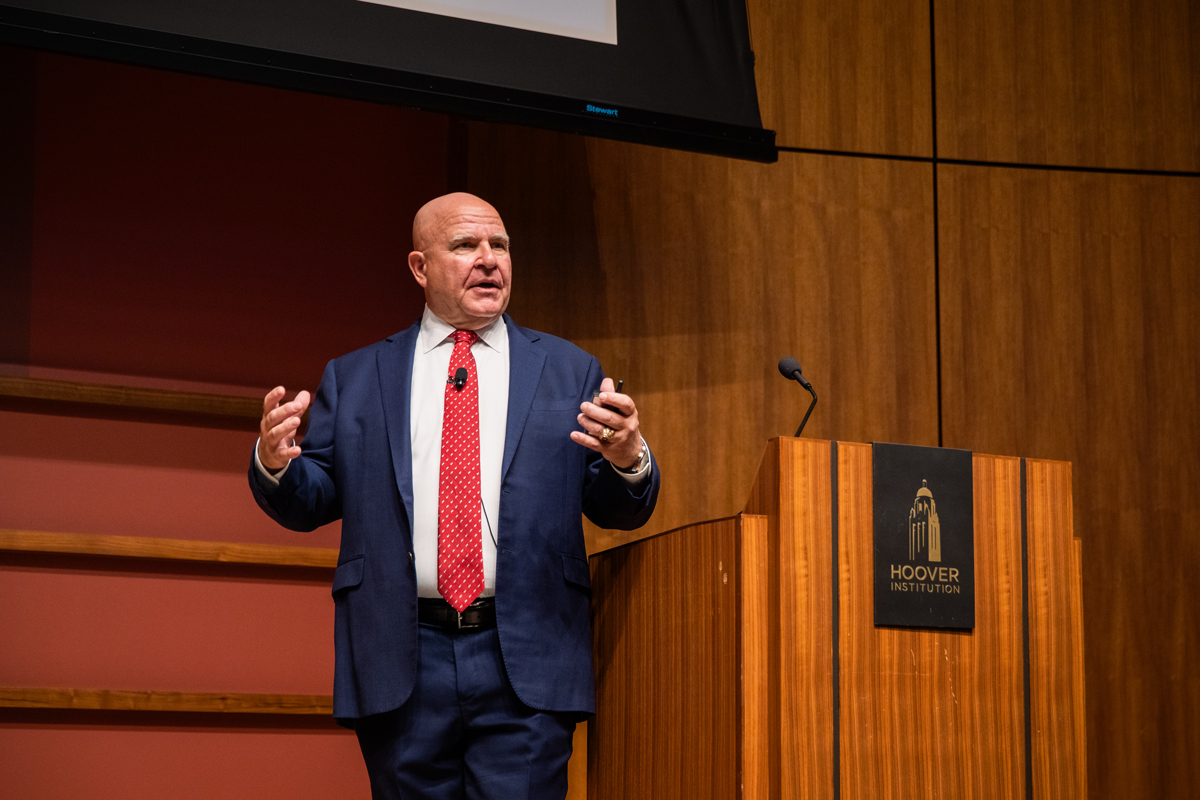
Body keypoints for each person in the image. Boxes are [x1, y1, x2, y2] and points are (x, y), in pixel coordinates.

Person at [248, 193, 660, 799]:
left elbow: (614, 505)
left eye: (501, 246)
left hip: (526, 654)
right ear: (420, 267)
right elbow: (314, 498)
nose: (489, 261)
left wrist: (628, 458)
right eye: (466, 246)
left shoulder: (569, 369)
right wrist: (275, 462)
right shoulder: (357, 376)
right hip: (402, 656)